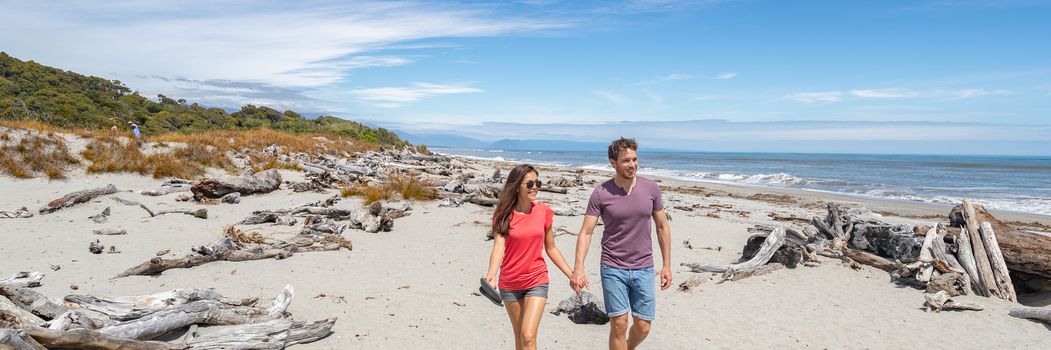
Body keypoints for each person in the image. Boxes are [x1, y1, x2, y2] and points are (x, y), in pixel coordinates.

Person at [571, 137, 672, 350]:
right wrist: (578, 268)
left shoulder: (651, 188)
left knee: (643, 326)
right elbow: (586, 232)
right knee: (619, 323)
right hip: (612, 267)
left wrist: (667, 266)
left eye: (635, 159)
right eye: (626, 160)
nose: (632, 165)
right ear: (613, 162)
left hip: (644, 267)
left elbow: (662, 227)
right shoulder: (601, 193)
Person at [485, 164, 574, 350]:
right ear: (517, 186)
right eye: (530, 183)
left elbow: (551, 249)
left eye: (538, 183)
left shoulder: (543, 212)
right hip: (510, 283)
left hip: (536, 280)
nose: (535, 187)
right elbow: (499, 247)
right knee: (520, 338)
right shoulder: (503, 215)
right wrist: (491, 275)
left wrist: (572, 274)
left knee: (528, 335)